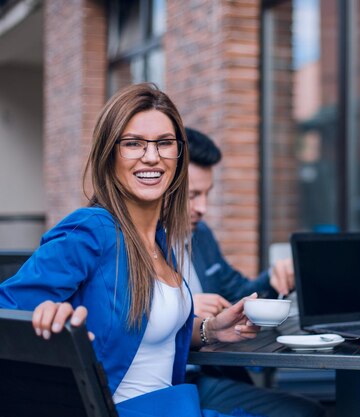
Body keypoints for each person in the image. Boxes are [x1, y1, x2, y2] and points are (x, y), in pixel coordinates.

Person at [0, 83, 261, 417]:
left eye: (164, 143)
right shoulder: (92, 230)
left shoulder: (159, 240)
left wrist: (210, 329)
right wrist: (50, 324)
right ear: (109, 154)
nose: (151, 157)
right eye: (133, 143)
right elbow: (7, 314)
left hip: (172, 405)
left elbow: (152, 338)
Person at [183, 127, 325, 417]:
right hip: (176, 382)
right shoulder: (135, 245)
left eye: (207, 194)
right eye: (192, 195)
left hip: (215, 372)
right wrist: (182, 305)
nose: (203, 208)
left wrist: (273, 279)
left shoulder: (201, 235)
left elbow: (235, 291)